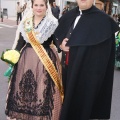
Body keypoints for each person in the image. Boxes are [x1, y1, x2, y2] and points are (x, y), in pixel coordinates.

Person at [54, 0, 119, 119]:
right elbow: (57, 37)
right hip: (65, 73)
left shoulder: (103, 21)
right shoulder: (69, 15)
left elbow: (104, 59)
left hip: (85, 78)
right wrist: (60, 45)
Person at [5, 0, 63, 119]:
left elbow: (58, 43)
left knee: (42, 90)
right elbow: (19, 44)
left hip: (45, 61)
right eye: (36, 5)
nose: (39, 8)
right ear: (32, 6)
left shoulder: (52, 23)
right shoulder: (25, 23)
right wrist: (12, 57)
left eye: (41, 5)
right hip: (26, 61)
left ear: (46, 7)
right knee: (26, 89)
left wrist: (62, 46)